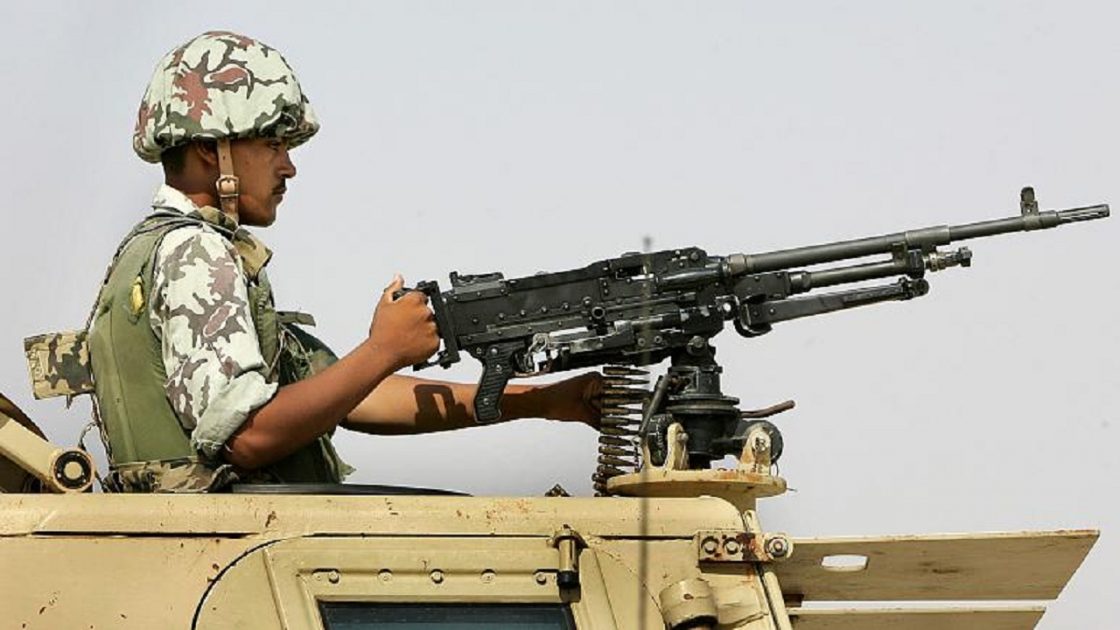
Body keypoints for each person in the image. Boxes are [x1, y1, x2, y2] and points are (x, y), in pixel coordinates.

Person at [82, 31, 600, 492]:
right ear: (207, 150)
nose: (288, 167)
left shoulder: (153, 249)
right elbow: (248, 436)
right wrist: (384, 349)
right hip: (231, 538)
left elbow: (357, 398)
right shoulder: (197, 251)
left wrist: (542, 401)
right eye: (273, 144)